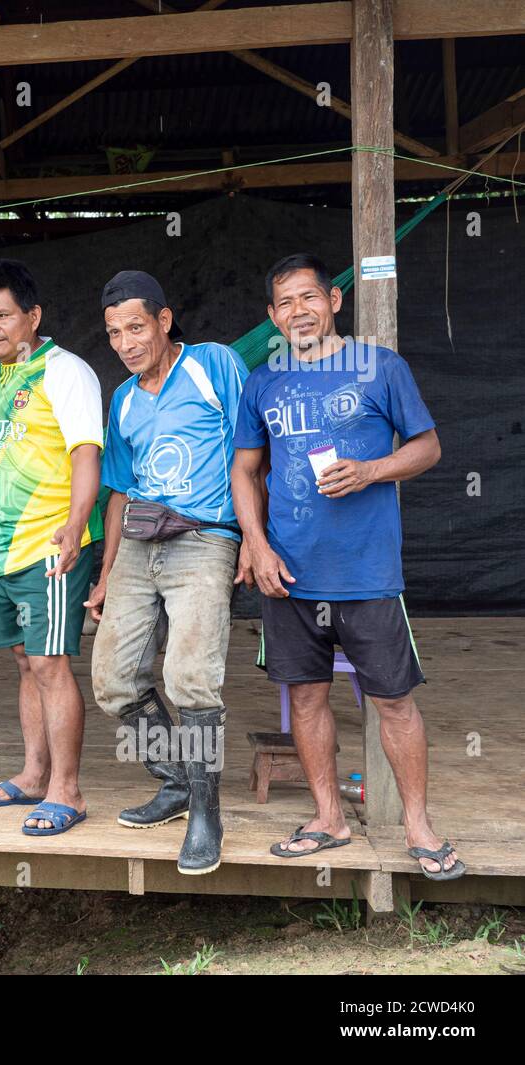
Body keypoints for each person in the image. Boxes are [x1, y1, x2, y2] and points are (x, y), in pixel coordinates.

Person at [231, 252, 463, 881]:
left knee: (393, 702)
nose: (297, 311)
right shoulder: (264, 382)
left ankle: (418, 825)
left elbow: (428, 447)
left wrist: (370, 471)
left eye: (309, 297)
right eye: (284, 303)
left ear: (334, 302)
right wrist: (256, 543)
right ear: (272, 317)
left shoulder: (381, 368)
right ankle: (329, 818)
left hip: (366, 571)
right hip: (290, 573)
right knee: (305, 699)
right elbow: (245, 471)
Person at [87, 270, 249, 875]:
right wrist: (105, 573)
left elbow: (249, 451)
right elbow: (120, 492)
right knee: (112, 680)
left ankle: (207, 814)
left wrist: (254, 539)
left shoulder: (214, 364)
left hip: (205, 538)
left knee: (190, 678)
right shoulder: (124, 398)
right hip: (137, 543)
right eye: (113, 333)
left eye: (135, 326)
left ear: (163, 319)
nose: (126, 342)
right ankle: (178, 780)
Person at [0, 259, 104, 837]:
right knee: (24, 661)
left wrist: (74, 526)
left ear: (33, 315)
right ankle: (32, 776)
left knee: (50, 663)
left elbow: (85, 454)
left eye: (3, 315)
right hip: (3, 548)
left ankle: (67, 793)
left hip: (52, 543)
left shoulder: (65, 372)